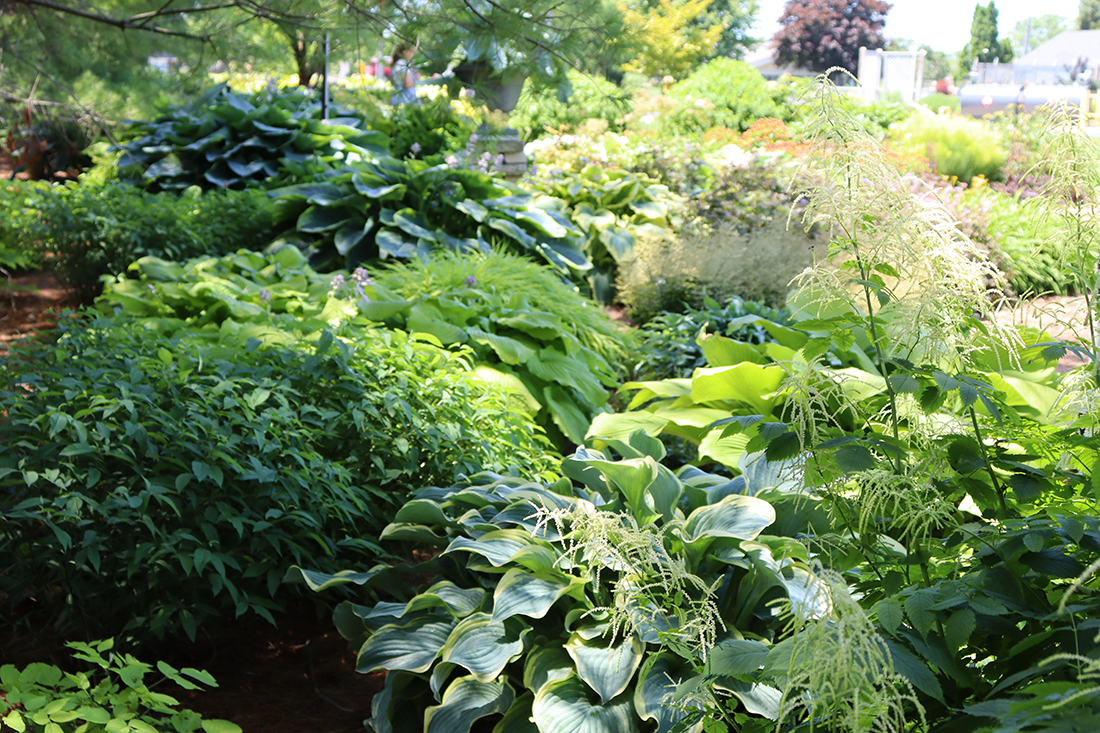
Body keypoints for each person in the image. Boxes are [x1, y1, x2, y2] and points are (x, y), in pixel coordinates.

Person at [389, 42, 420, 106]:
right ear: (406, 52)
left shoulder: (398, 63)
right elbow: (408, 84)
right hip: (406, 100)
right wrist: (417, 78)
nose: (413, 53)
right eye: (412, 51)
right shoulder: (404, 64)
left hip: (397, 99)